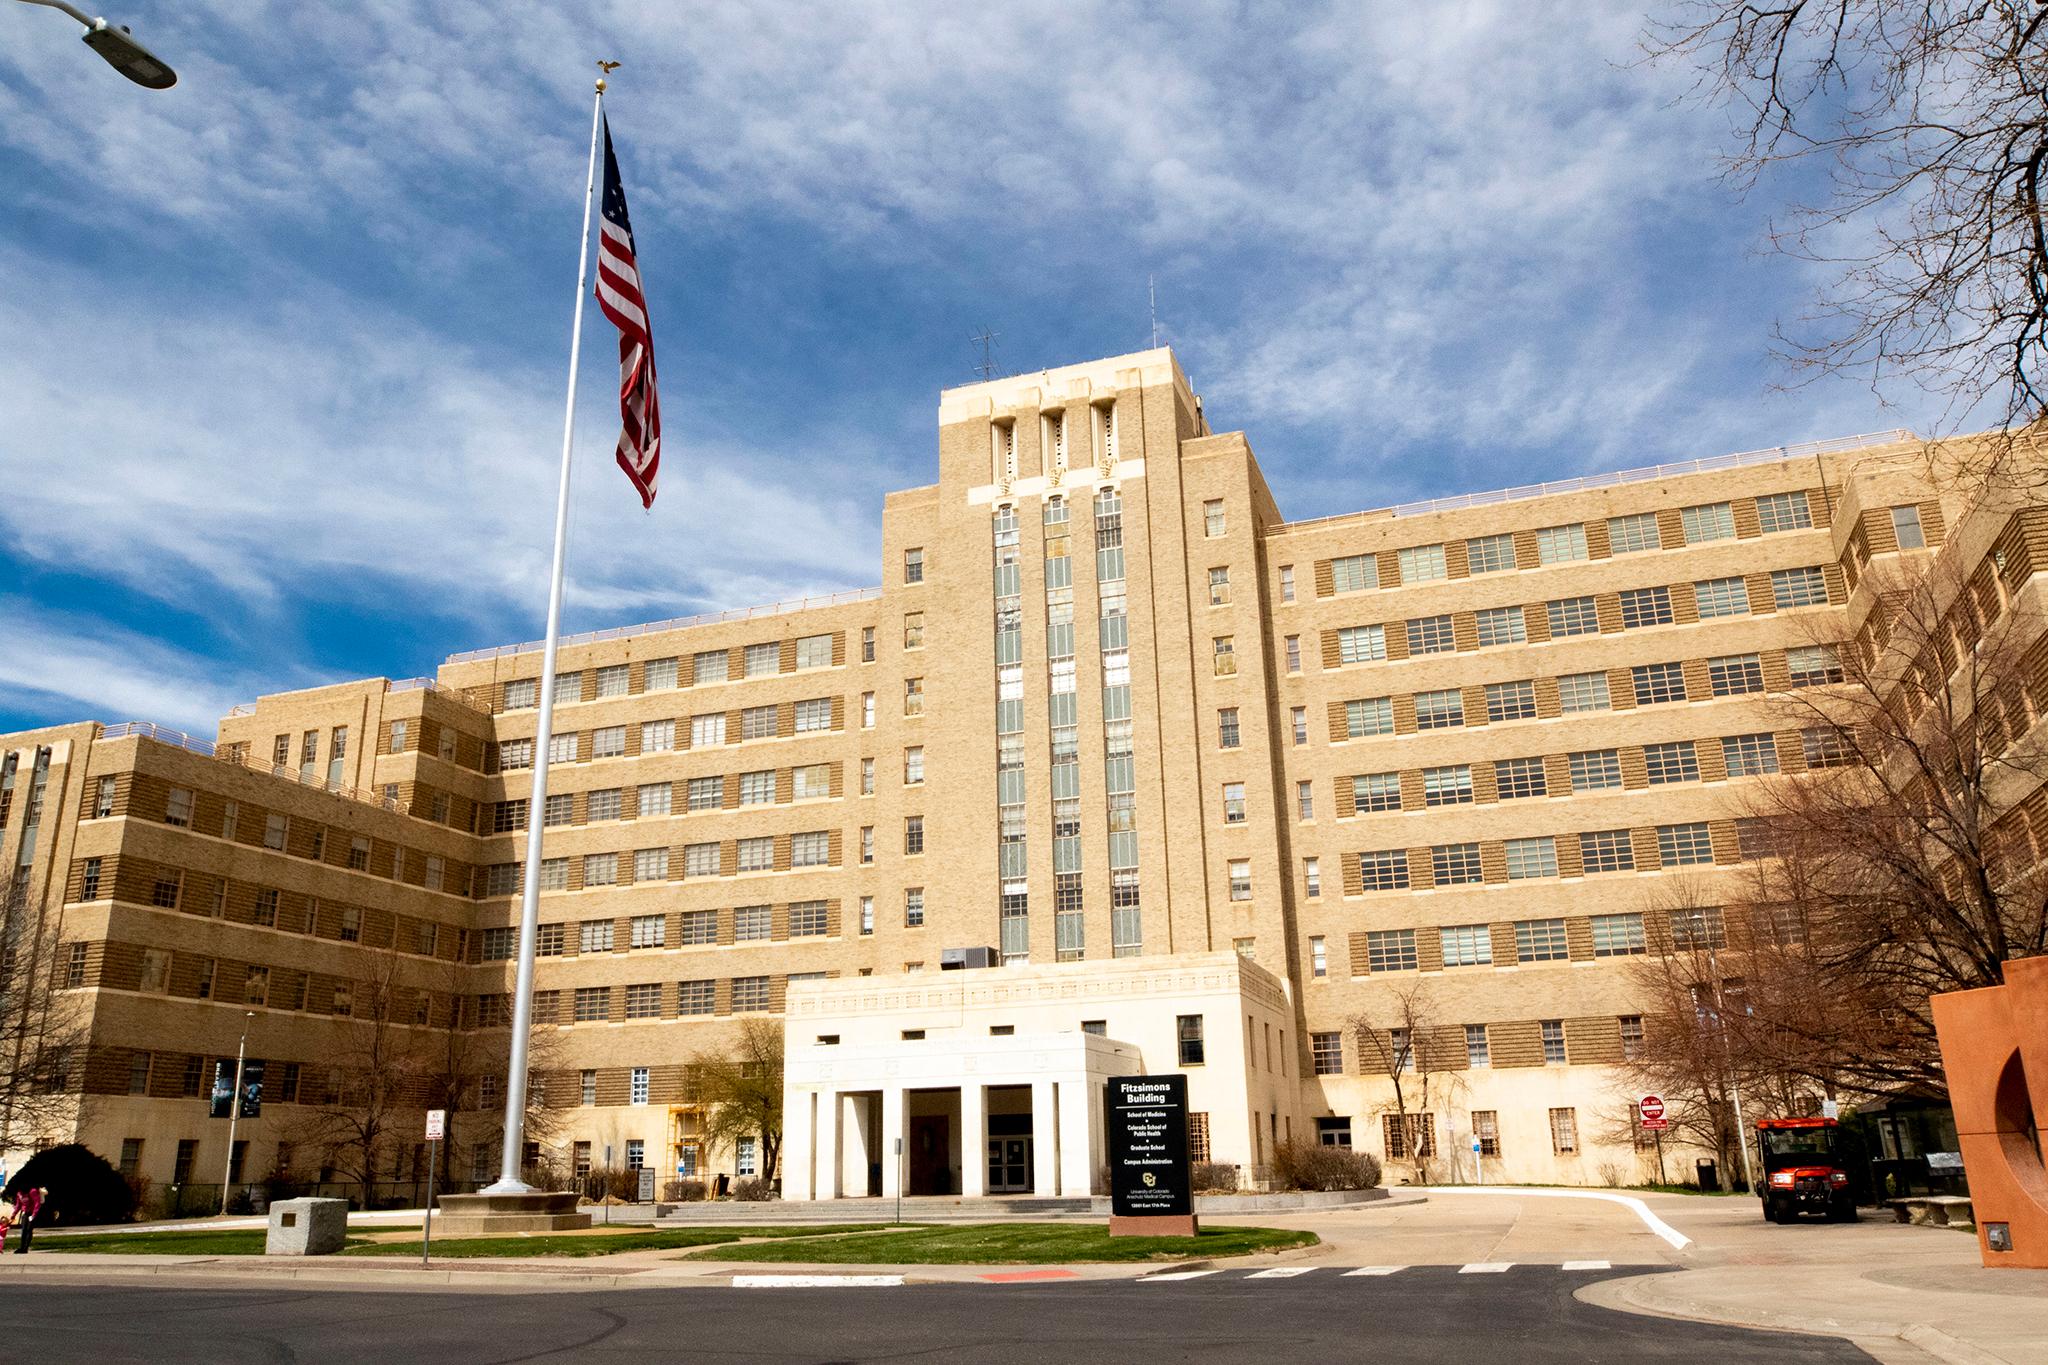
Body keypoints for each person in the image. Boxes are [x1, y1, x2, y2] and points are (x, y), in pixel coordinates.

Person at [10, 1186, 45, 1254]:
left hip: (32, 1213)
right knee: (24, 1230)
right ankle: (21, 1247)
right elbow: (18, 1204)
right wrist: (14, 1214)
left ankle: (25, 1248)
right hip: (25, 1213)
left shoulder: (33, 1191)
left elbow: (37, 1203)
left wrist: (33, 1215)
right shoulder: (19, 1193)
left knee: (29, 1230)